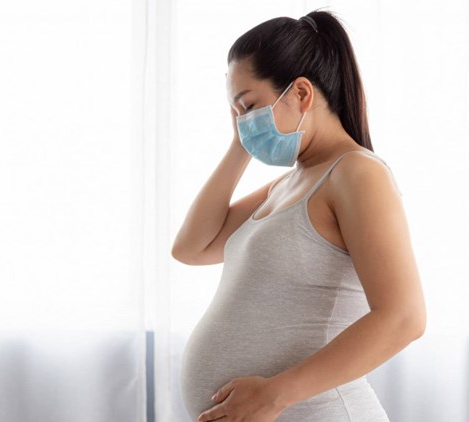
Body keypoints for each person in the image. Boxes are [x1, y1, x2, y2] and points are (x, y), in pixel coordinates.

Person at [171, 9, 426, 422]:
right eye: (236, 112)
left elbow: (404, 318)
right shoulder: (288, 184)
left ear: (302, 93)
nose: (243, 122)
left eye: (249, 106)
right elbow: (190, 248)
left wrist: (274, 395)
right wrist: (240, 144)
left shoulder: (356, 173)